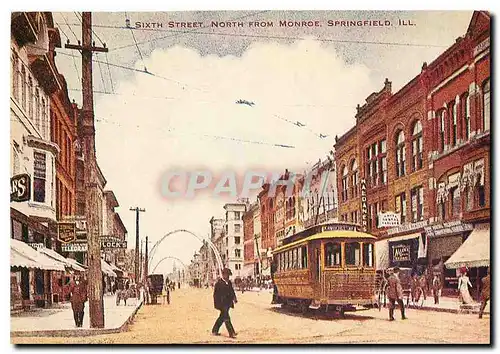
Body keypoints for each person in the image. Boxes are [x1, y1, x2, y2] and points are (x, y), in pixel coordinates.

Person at [212, 268, 237, 338]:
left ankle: (214, 330)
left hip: (228, 303)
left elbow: (232, 291)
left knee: (222, 317)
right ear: (223, 275)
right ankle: (231, 333)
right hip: (222, 304)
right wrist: (217, 304)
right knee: (226, 317)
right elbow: (215, 295)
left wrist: (234, 298)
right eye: (227, 275)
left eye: (229, 275)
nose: (228, 277)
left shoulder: (229, 283)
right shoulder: (218, 283)